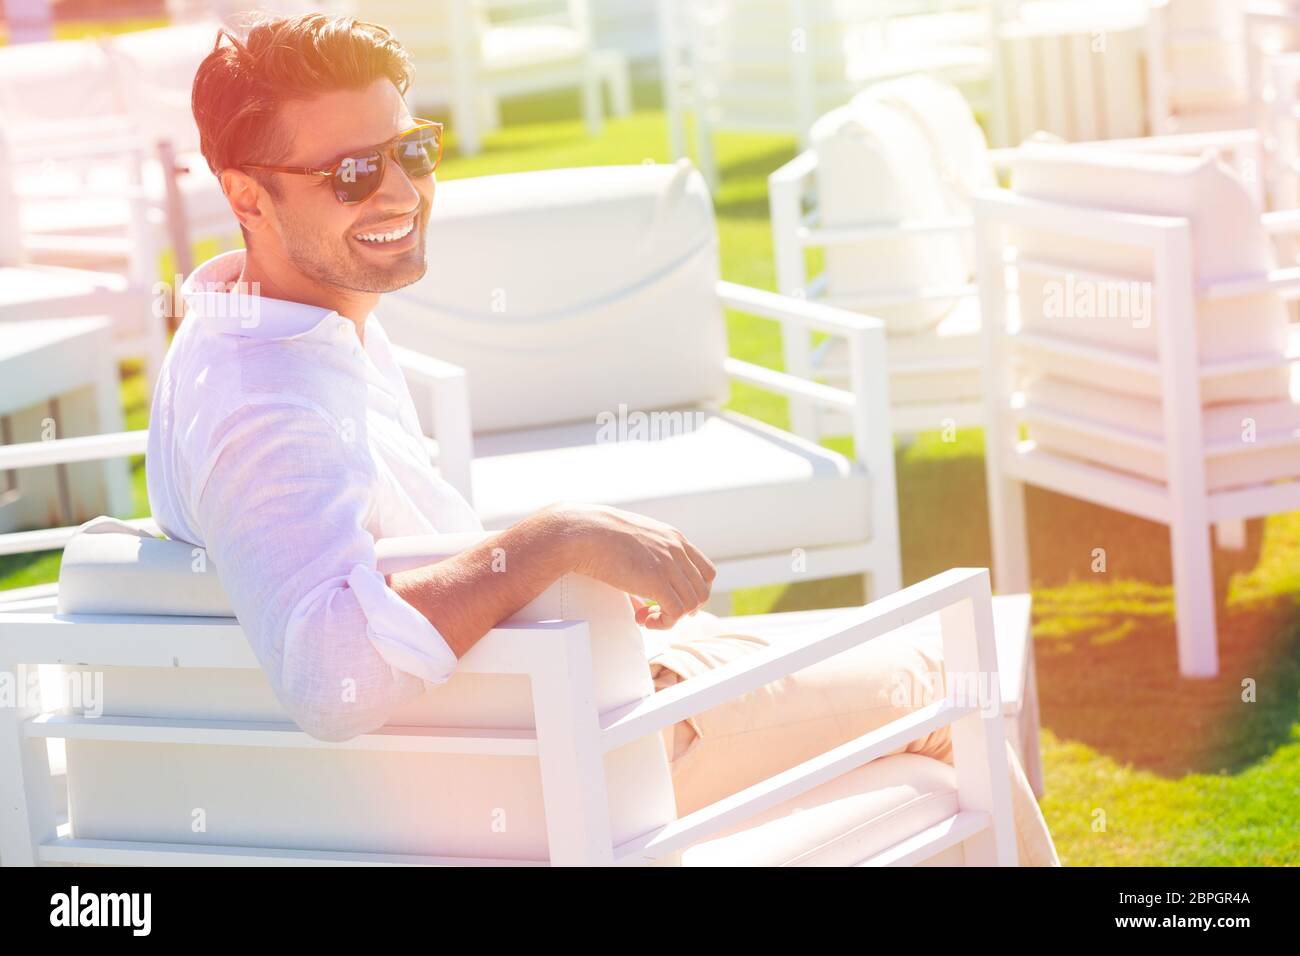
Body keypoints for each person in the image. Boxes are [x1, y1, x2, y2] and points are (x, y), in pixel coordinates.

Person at [147, 12, 1057, 866]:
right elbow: (329, 674)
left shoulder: (271, 321)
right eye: (351, 173)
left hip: (561, 704)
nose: (399, 192)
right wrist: (558, 540)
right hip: (561, 764)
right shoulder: (262, 402)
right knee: (953, 679)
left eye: (411, 151)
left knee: (938, 727)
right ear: (246, 197)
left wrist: (566, 583)